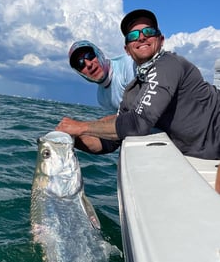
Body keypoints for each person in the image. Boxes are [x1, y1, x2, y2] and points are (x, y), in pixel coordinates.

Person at [56, 9, 220, 160]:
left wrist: (81, 126)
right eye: (133, 36)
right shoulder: (132, 91)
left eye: (148, 32)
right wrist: (70, 138)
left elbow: (138, 122)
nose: (141, 37)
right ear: (127, 50)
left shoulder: (169, 64)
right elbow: (110, 141)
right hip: (200, 152)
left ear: (161, 40)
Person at [69, 40, 136, 111]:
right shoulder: (101, 98)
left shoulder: (129, 64)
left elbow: (138, 112)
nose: (89, 64)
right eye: (81, 63)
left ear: (99, 53)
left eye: (90, 56)